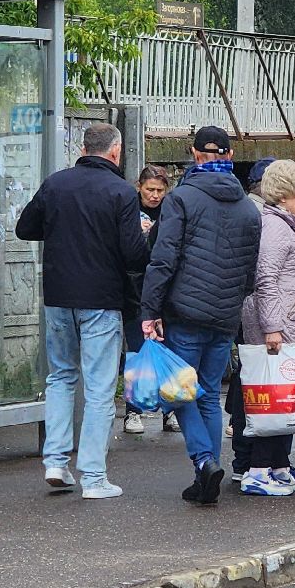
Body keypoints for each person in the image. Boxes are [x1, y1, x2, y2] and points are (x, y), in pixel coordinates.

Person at [15, 122, 151, 501]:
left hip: (58, 297)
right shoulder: (121, 191)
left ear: (84, 147)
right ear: (115, 151)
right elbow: (134, 255)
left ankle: (55, 462)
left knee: (60, 377)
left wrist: (64, 230)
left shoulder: (56, 183)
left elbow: (25, 228)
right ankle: (93, 476)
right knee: (99, 389)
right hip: (102, 301)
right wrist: (143, 235)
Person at [141, 126, 262, 506]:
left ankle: (204, 461)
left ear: (195, 155)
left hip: (185, 313)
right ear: (228, 157)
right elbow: (250, 270)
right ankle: (205, 476)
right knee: (208, 393)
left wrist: (150, 309)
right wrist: (230, 302)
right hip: (225, 315)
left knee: (178, 392)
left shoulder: (182, 199)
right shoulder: (247, 206)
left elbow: (163, 258)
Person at [230, 161, 295, 497]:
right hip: (279, 325)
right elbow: (265, 280)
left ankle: (278, 465)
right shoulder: (276, 229)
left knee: (285, 394)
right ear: (285, 197)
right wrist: (272, 328)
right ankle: (259, 470)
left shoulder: (282, 225)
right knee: (273, 395)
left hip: (286, 321)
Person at [127, 165, 177, 435]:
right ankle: (133, 412)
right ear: (139, 187)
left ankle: (170, 411)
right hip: (135, 289)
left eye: (160, 190)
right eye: (150, 190)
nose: (155, 196)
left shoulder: (171, 211)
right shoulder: (129, 209)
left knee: (167, 352)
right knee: (137, 353)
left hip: (163, 290)